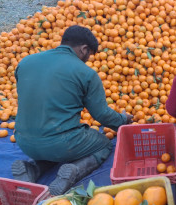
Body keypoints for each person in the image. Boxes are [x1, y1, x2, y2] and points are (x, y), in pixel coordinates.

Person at [11, 25, 132, 195]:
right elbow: (101, 114)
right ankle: (74, 170)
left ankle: (32, 169)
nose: (88, 59)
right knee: (103, 144)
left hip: (23, 141)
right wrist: (122, 121)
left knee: (55, 145)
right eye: (89, 55)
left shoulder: (25, 62)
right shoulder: (86, 73)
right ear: (84, 49)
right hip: (62, 143)